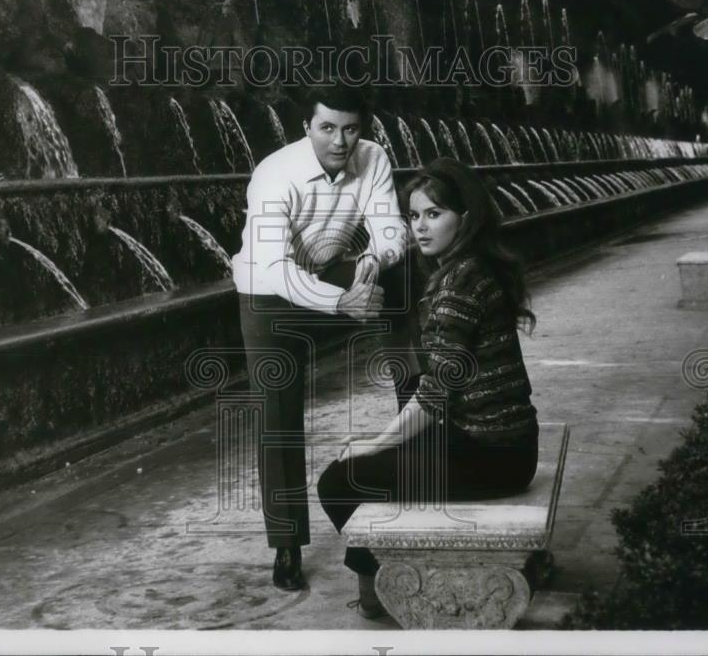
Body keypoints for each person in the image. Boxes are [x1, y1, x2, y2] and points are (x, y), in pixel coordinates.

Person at [317, 156, 540, 619]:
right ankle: (382, 579)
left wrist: (372, 443)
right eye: (414, 215)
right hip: (502, 441)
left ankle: (386, 589)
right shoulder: (472, 266)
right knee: (381, 462)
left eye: (434, 214)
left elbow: (435, 394)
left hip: (493, 456)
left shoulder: (457, 285)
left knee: (340, 481)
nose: (420, 227)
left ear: (466, 216)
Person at [231, 82, 411, 591]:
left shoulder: (373, 158)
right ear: (306, 127)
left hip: (332, 273)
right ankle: (287, 545)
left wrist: (375, 260)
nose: (339, 140)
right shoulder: (274, 174)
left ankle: (420, 412)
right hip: (267, 291)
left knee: (401, 279)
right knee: (277, 407)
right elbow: (271, 267)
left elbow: (390, 227)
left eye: (350, 129)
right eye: (327, 127)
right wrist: (341, 301)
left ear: (363, 129)